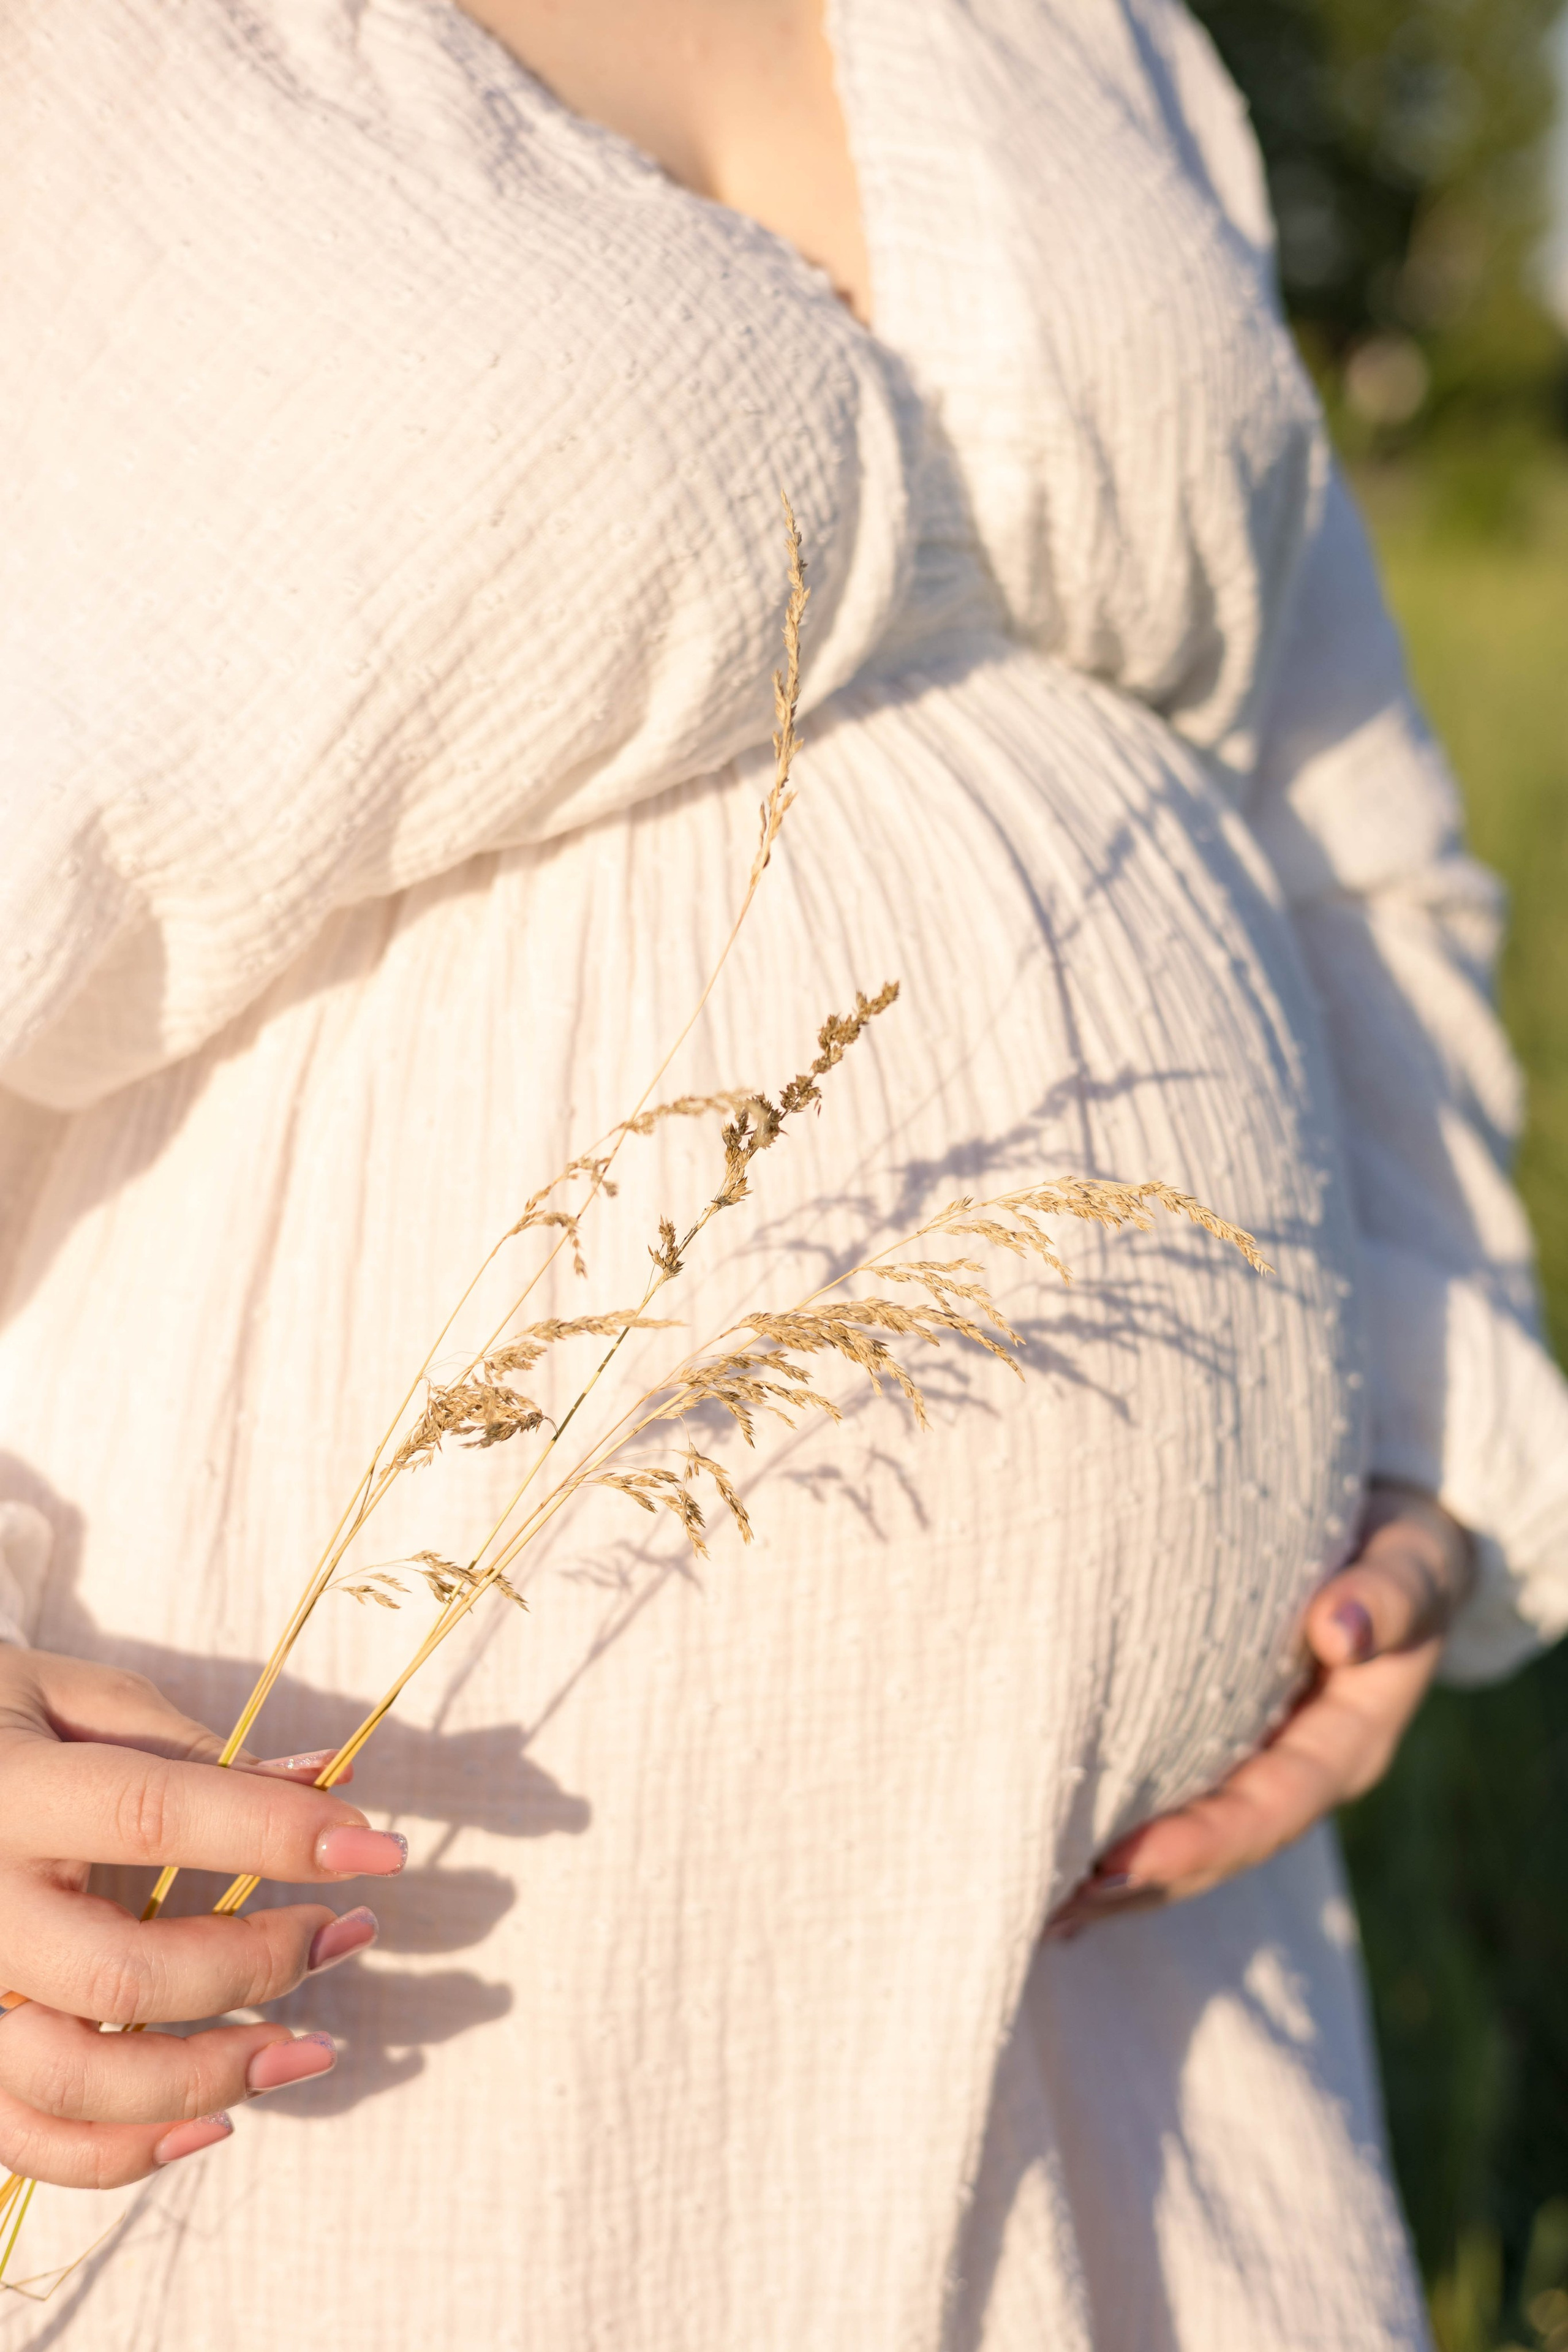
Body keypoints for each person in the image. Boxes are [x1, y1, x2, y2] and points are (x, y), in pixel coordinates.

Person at [2, 1, 1566, 2343]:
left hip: (1147, 2025)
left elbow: (1344, 828)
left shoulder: (1096, 35)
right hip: (382, 2018)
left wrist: (1427, 1431)